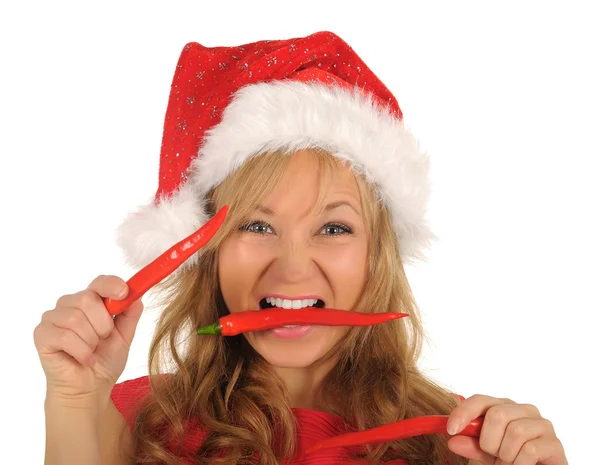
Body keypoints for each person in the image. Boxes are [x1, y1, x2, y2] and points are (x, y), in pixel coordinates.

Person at [34, 31, 568, 465]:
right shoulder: (134, 424)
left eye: (334, 228)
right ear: (209, 250)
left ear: (376, 251)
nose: (291, 271)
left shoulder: (466, 444)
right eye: (256, 226)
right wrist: (75, 399)